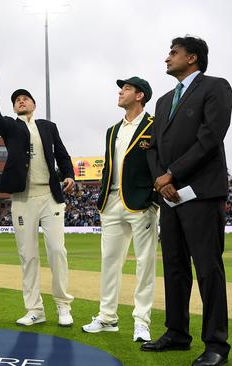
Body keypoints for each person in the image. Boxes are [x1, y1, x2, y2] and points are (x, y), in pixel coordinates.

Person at [143, 36, 232, 366]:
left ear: (192, 58)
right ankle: (177, 333)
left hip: (202, 193)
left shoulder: (215, 87)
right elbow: (152, 146)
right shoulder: (164, 100)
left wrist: (173, 174)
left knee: (208, 269)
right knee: (175, 268)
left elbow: (211, 136)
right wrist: (160, 179)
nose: (167, 58)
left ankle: (216, 346)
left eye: (174, 53)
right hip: (170, 197)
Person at [0, 65, 76, 327]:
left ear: (34, 104)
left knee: (57, 250)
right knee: (28, 255)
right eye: (16, 100)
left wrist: (69, 174)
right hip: (23, 198)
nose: (20, 100)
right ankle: (35, 309)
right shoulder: (11, 127)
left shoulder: (48, 127)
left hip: (50, 195)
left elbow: (63, 155)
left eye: (25, 98)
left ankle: (62, 306)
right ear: (14, 109)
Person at [82, 77, 158, 343]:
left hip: (141, 204)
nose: (120, 91)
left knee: (144, 264)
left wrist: (154, 198)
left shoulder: (154, 125)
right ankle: (107, 318)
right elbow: (108, 167)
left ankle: (142, 322)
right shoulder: (112, 130)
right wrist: (102, 199)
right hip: (111, 204)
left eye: (126, 89)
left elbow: (160, 162)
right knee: (109, 262)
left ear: (140, 95)